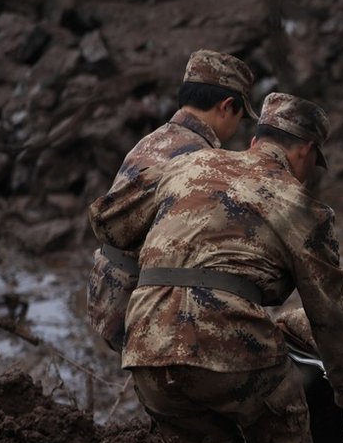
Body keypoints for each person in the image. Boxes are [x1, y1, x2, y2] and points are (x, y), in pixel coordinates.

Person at [88, 92, 343, 443]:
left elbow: (109, 222)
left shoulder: (188, 165)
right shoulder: (298, 204)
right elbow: (330, 315)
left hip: (147, 343)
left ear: (257, 137)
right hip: (227, 338)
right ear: (306, 150)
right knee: (283, 430)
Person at [87, 48, 257, 351]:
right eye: (240, 118)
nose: (236, 129)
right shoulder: (201, 159)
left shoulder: (155, 138)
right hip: (141, 308)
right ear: (227, 106)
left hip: (106, 292)